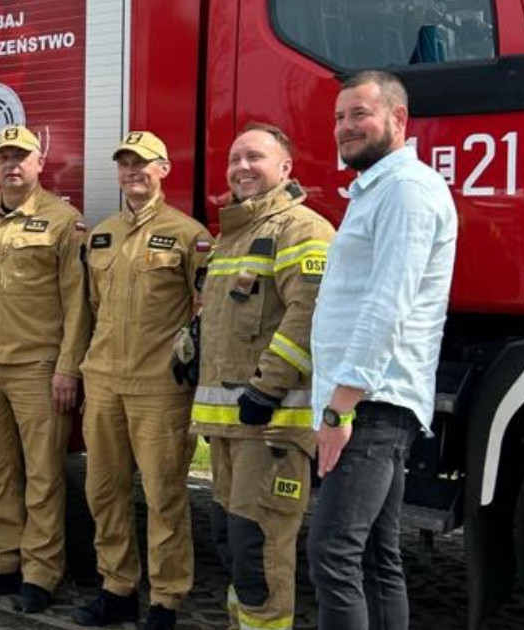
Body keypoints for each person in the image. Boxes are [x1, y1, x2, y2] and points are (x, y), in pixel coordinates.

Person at [308, 70, 457, 630]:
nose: (345, 127)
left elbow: (387, 303)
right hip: (373, 402)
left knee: (333, 554)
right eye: (339, 117)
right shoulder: (380, 189)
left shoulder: (406, 191)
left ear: (398, 118)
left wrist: (339, 408)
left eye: (360, 114)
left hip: (369, 405)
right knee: (374, 556)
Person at [190, 123, 334, 630]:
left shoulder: (303, 229)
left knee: (259, 554)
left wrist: (266, 387)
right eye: (235, 159)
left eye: (255, 157)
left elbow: (309, 315)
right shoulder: (233, 235)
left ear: (286, 168)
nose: (242, 167)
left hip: (271, 426)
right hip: (231, 427)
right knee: (232, 545)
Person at [75, 132, 211, 629]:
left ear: (164, 169)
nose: (132, 171)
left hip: (159, 389)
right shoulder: (102, 235)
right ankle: (117, 589)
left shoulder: (188, 235)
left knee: (164, 496)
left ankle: (166, 601)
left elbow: (206, 309)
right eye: (125, 164)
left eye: (142, 163)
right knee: (103, 491)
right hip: (104, 383)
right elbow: (92, 307)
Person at [0, 125, 91, 613]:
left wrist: (68, 368)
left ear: (39, 163)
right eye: (3, 157)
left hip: (38, 368)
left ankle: (40, 573)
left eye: (21, 156)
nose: (11, 165)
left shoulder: (63, 220)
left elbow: (78, 303)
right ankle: (1, 563)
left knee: (42, 476)